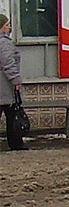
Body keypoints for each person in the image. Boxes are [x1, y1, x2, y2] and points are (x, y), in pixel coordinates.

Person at [0, 14, 26, 150]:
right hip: (5, 86)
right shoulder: (4, 42)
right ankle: (16, 143)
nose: (9, 27)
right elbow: (8, 63)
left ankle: (16, 143)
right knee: (12, 115)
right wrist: (16, 80)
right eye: (7, 25)